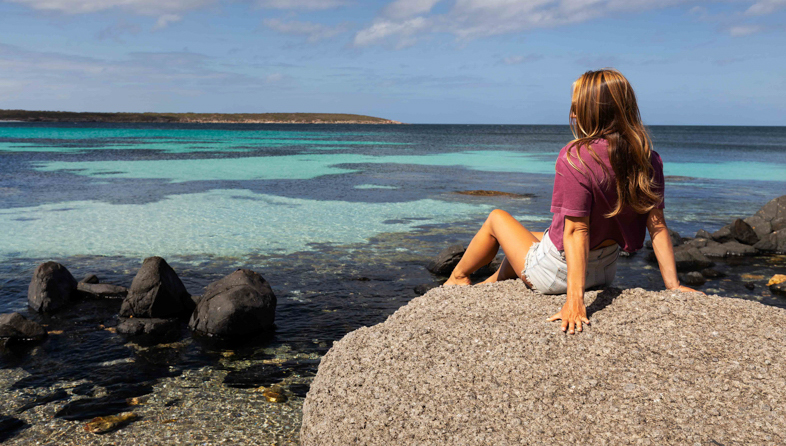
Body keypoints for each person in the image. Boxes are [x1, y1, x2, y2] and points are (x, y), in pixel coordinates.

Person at [443, 68, 700, 334]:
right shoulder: (648, 158)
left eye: (577, 106)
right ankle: (488, 287)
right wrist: (673, 285)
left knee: (497, 218)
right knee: (534, 238)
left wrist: (574, 302)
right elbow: (656, 225)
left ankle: (457, 278)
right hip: (605, 271)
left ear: (593, 111)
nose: (573, 114)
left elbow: (577, 230)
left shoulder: (576, 156)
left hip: (559, 276)